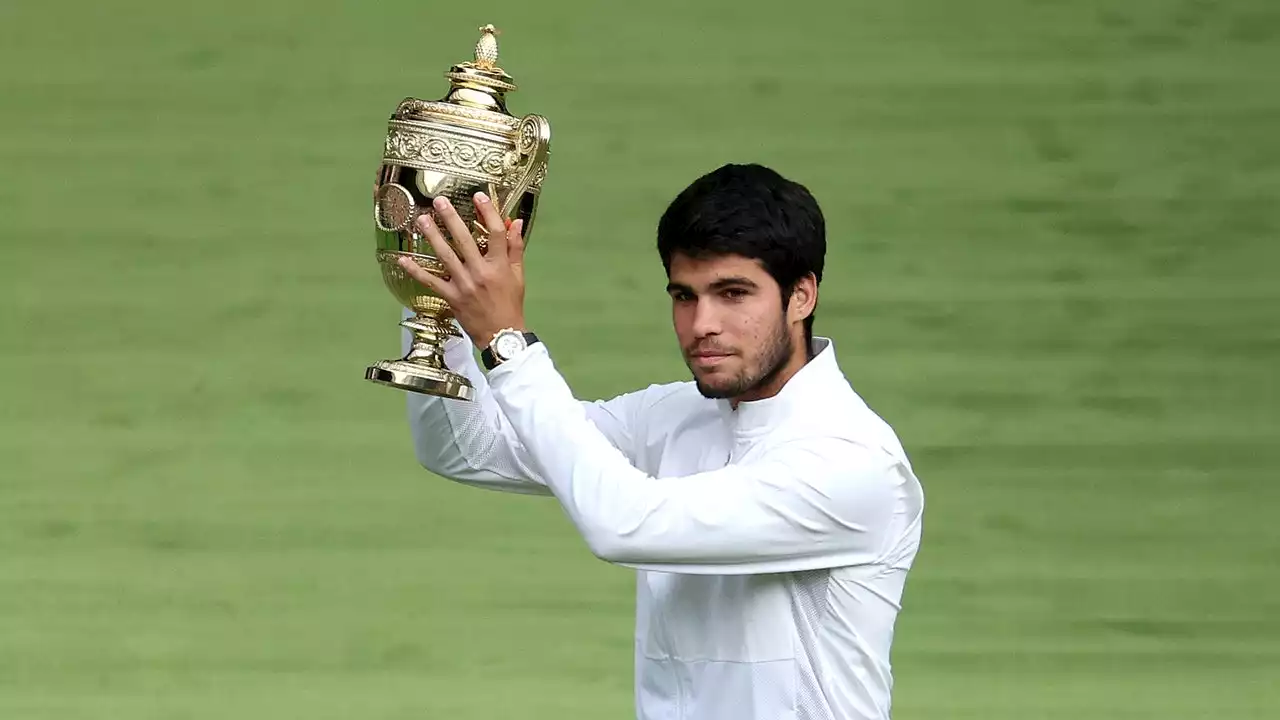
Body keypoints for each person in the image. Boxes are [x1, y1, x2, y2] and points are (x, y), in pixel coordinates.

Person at [395, 163, 925, 720]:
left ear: (802, 296)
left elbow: (625, 523)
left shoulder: (851, 460)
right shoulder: (676, 414)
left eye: (733, 293)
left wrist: (505, 341)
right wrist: (437, 295)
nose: (702, 325)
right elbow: (465, 448)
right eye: (684, 296)